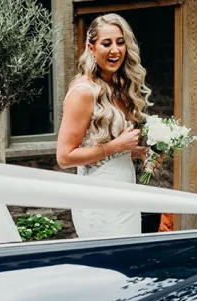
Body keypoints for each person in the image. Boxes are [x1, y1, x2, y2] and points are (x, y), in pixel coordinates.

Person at [56, 13, 152, 239]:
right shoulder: (83, 92)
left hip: (125, 193)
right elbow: (64, 157)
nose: (115, 50)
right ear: (91, 47)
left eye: (120, 43)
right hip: (98, 200)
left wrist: (136, 152)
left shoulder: (118, 86)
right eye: (106, 43)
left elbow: (107, 143)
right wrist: (116, 147)